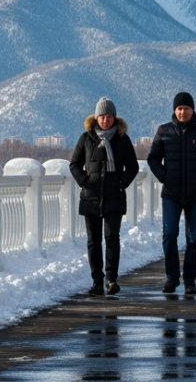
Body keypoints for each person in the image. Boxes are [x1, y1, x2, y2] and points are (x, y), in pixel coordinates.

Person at [148, 91, 196, 295]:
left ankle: (190, 280)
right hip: (171, 193)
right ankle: (172, 278)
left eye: (186, 108)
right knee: (169, 235)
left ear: (192, 110)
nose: (182, 112)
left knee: (193, 238)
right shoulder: (164, 131)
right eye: (179, 108)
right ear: (174, 110)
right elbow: (152, 158)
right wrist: (164, 176)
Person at [69, 97, 140, 296]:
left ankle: (111, 280)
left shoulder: (122, 139)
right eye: (102, 116)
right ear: (96, 118)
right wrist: (84, 180)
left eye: (109, 116)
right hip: (90, 197)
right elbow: (74, 164)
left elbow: (133, 166)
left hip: (114, 197)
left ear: (114, 118)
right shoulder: (86, 138)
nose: (105, 120)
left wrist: (120, 182)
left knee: (112, 238)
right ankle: (97, 281)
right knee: (93, 241)